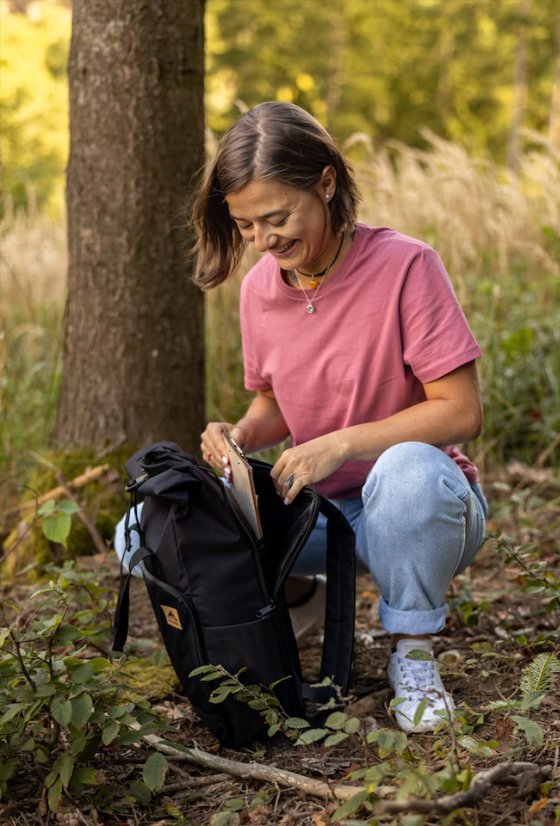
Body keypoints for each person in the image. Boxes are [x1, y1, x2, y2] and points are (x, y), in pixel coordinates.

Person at [193, 101, 488, 734]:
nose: (264, 242)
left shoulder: (406, 265)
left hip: (420, 508)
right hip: (321, 518)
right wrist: (237, 438)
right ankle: (306, 595)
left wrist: (341, 444)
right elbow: (275, 401)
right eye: (246, 226)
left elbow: (462, 412)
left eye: (276, 218)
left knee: (405, 471)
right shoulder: (259, 289)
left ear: (326, 182)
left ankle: (412, 652)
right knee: (145, 527)